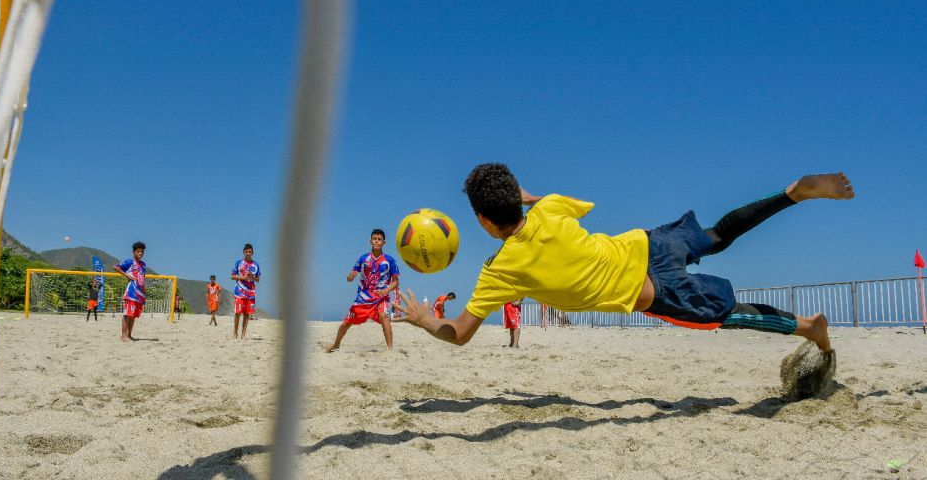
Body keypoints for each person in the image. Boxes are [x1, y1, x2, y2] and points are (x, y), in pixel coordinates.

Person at [394, 163, 854, 356]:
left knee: (727, 316)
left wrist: (420, 319)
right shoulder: (550, 206)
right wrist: (523, 196)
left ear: (481, 221)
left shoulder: (500, 271)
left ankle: (809, 326)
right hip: (648, 244)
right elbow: (536, 199)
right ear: (516, 199)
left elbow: (458, 334)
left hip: (653, 292)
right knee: (717, 234)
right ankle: (792, 194)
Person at [321, 229, 399, 352]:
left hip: (380, 298)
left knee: (383, 316)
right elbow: (350, 278)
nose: (376, 241)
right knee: (346, 323)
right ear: (370, 241)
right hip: (363, 298)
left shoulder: (390, 260)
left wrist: (385, 291)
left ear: (384, 242)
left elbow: (395, 282)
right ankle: (336, 344)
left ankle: (390, 349)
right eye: (374, 239)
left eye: (379, 239)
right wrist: (349, 277)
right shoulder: (363, 258)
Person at [114, 241, 147, 342]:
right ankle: (124, 335)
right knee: (127, 314)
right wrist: (126, 275)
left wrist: (143, 291)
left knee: (133, 315)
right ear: (134, 252)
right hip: (131, 292)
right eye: (138, 251)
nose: (140, 253)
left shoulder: (143, 265)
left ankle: (129, 335)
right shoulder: (130, 262)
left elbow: (142, 278)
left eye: (141, 252)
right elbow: (115, 267)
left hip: (140, 293)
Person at [231, 243, 261, 340]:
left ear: (252, 253)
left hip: (250, 293)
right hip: (239, 292)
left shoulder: (256, 265)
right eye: (246, 251)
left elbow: (258, 279)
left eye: (249, 252)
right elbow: (232, 276)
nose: (248, 253)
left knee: (247, 314)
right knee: (238, 313)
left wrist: (252, 277)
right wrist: (243, 277)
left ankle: (243, 334)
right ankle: (235, 332)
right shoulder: (238, 262)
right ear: (244, 252)